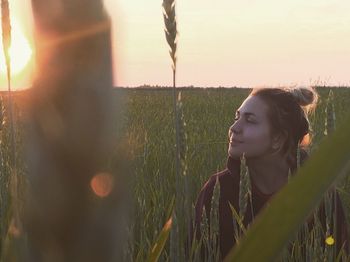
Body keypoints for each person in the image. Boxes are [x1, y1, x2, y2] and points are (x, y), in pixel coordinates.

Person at [192, 87, 349, 259]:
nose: (234, 128)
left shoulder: (318, 193)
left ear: (278, 139)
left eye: (250, 120)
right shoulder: (218, 190)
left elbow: (338, 252)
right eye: (237, 117)